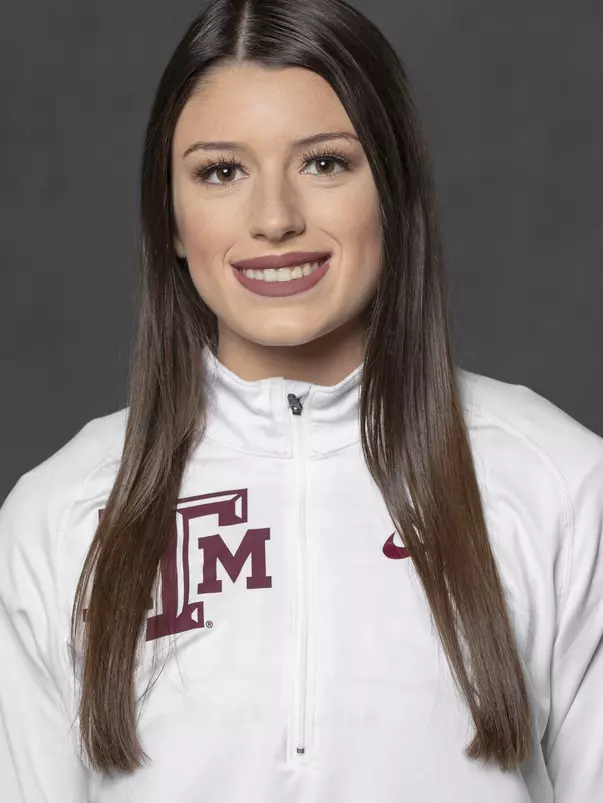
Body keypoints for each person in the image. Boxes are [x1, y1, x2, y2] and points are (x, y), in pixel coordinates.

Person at [1, 0, 602, 800]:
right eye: (221, 171)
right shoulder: (58, 513)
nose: (275, 219)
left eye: (324, 163)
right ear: (172, 219)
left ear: (389, 187)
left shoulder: (558, 479)